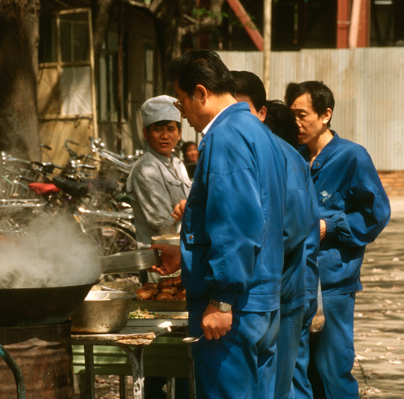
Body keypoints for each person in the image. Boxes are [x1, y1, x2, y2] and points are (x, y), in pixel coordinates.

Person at [152, 50, 287, 399]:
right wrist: (185, 254)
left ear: (201, 92)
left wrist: (222, 300)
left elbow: (235, 224)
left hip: (237, 306)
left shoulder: (225, 136)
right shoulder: (257, 132)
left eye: (181, 103)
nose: (182, 115)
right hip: (262, 299)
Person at [285, 81, 391, 398]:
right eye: (292, 115)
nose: (296, 123)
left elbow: (377, 213)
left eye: (302, 114)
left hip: (333, 284)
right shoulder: (293, 157)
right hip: (295, 283)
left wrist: (329, 226)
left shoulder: (351, 157)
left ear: (326, 114)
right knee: (298, 372)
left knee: (333, 370)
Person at [232, 70, 320, 399]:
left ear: (262, 113)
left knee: (280, 386)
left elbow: (291, 230)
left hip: (282, 292)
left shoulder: (284, 156)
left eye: (244, 112)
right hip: (257, 292)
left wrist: (240, 257)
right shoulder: (241, 152)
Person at [126, 95, 192, 398]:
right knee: (159, 341)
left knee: (181, 339)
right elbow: (160, 221)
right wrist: (189, 210)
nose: (165, 136)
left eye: (171, 128)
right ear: (145, 133)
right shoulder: (144, 169)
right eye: (157, 129)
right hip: (158, 266)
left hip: (182, 259)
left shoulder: (177, 164)